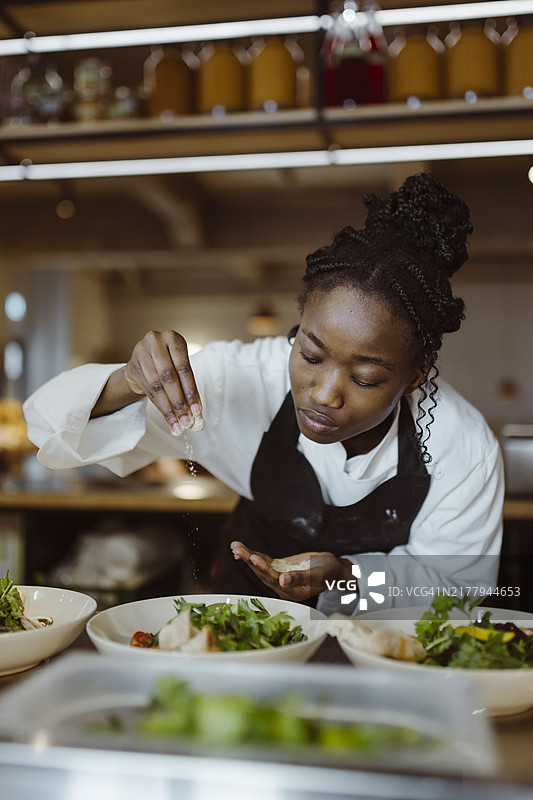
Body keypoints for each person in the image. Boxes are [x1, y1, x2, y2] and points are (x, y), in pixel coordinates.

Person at [23, 173, 504, 615]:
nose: (325, 394)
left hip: (375, 650)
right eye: (311, 356)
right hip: (238, 623)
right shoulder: (240, 378)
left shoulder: (459, 446)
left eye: (364, 378)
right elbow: (49, 428)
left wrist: (347, 578)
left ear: (416, 376)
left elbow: (452, 587)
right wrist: (129, 379)